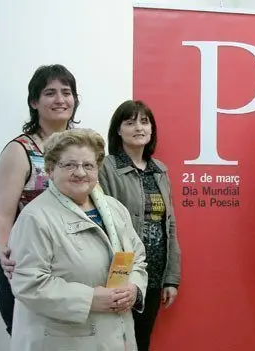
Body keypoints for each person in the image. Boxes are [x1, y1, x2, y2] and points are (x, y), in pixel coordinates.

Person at [8, 128, 148, 351]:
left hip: (115, 336)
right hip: (61, 341)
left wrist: (134, 288)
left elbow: (138, 258)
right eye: (69, 165)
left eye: (88, 165)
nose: (80, 172)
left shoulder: (115, 209)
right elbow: (28, 283)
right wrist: (89, 298)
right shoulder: (35, 218)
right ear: (51, 169)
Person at [0, 64, 80, 335]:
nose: (60, 99)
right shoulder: (20, 151)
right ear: (34, 102)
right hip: (28, 267)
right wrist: (5, 253)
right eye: (50, 93)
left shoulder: (82, 149)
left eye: (67, 92)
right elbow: (1, 214)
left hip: (71, 268)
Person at [99, 100, 181, 351]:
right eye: (130, 121)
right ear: (118, 130)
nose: (139, 127)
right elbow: (103, 220)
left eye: (145, 122)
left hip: (155, 271)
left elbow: (170, 225)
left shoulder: (160, 170)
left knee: (142, 340)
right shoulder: (107, 167)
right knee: (116, 340)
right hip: (122, 270)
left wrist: (171, 278)